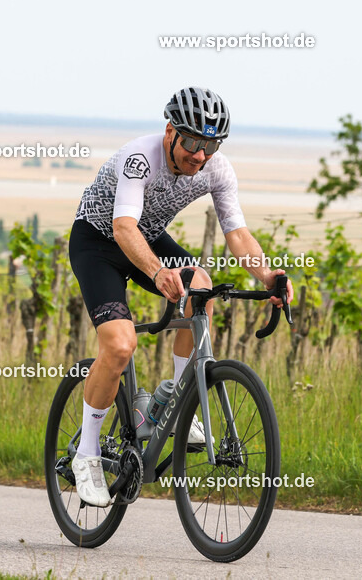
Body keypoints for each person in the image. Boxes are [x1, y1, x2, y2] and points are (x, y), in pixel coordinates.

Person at [68, 86, 294, 506]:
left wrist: (267, 275)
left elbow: (238, 234)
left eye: (209, 144)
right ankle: (87, 455)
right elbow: (122, 228)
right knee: (119, 345)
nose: (199, 154)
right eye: (191, 141)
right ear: (170, 131)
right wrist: (157, 271)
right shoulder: (140, 158)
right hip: (99, 243)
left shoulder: (216, 168)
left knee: (202, 287)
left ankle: (175, 397)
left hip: (147, 239)